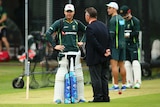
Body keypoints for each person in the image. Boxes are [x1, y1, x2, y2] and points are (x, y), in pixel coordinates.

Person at [45, 4, 86, 104]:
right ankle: (58, 98)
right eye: (67, 11)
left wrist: (82, 41)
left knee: (78, 75)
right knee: (61, 74)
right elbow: (47, 33)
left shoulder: (77, 23)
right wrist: (55, 46)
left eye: (70, 11)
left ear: (73, 12)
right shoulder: (60, 23)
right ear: (64, 12)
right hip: (64, 52)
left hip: (75, 52)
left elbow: (87, 31)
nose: (69, 13)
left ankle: (80, 97)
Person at [85, 7, 111, 102]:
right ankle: (105, 96)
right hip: (105, 57)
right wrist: (108, 50)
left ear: (88, 16)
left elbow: (94, 42)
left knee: (96, 78)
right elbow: (109, 38)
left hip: (95, 56)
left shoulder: (90, 28)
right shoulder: (104, 25)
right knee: (104, 77)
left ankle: (98, 97)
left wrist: (103, 51)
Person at [119, 5, 141, 89]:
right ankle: (129, 81)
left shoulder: (135, 21)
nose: (124, 17)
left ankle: (137, 82)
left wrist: (128, 35)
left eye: (125, 15)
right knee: (127, 63)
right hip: (125, 45)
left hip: (133, 44)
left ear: (129, 12)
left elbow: (136, 33)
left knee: (135, 63)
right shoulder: (122, 21)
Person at [106, 2, 126, 91]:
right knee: (122, 65)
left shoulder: (113, 20)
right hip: (122, 45)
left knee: (114, 66)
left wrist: (108, 45)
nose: (108, 10)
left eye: (110, 8)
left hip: (115, 45)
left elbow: (112, 35)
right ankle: (125, 84)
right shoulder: (122, 19)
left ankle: (116, 85)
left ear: (114, 9)